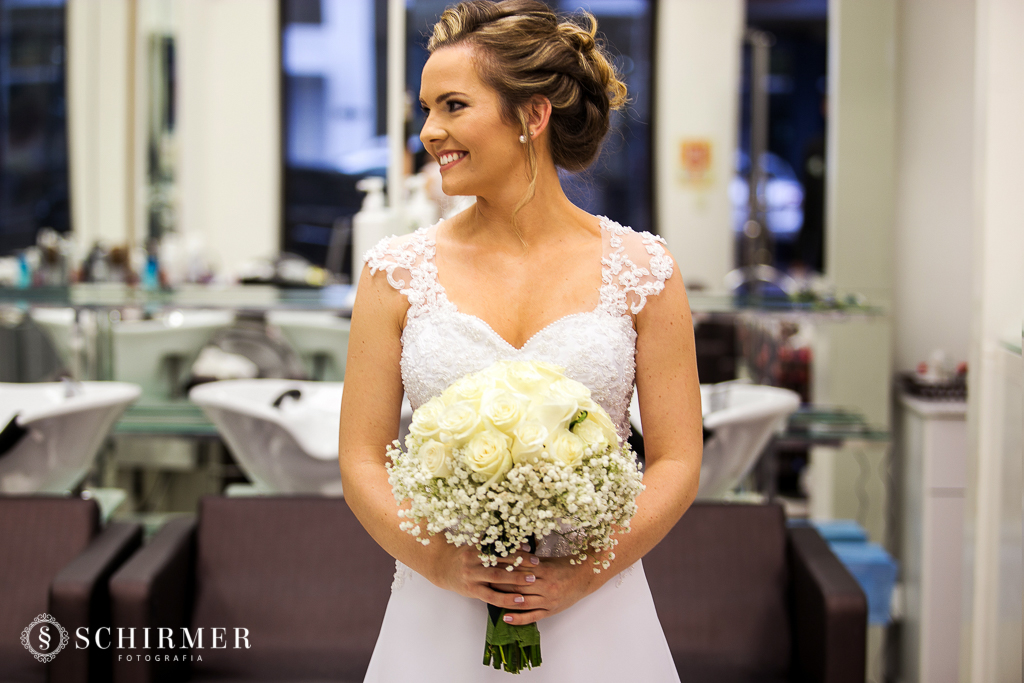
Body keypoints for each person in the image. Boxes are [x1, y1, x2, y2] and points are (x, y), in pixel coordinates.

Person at [338, 1, 702, 680]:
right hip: (439, 609)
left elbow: (678, 461)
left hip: (598, 614)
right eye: (425, 109)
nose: (429, 131)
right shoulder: (394, 275)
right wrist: (439, 560)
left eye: (452, 105)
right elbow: (360, 458)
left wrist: (583, 572)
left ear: (533, 116)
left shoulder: (645, 271)